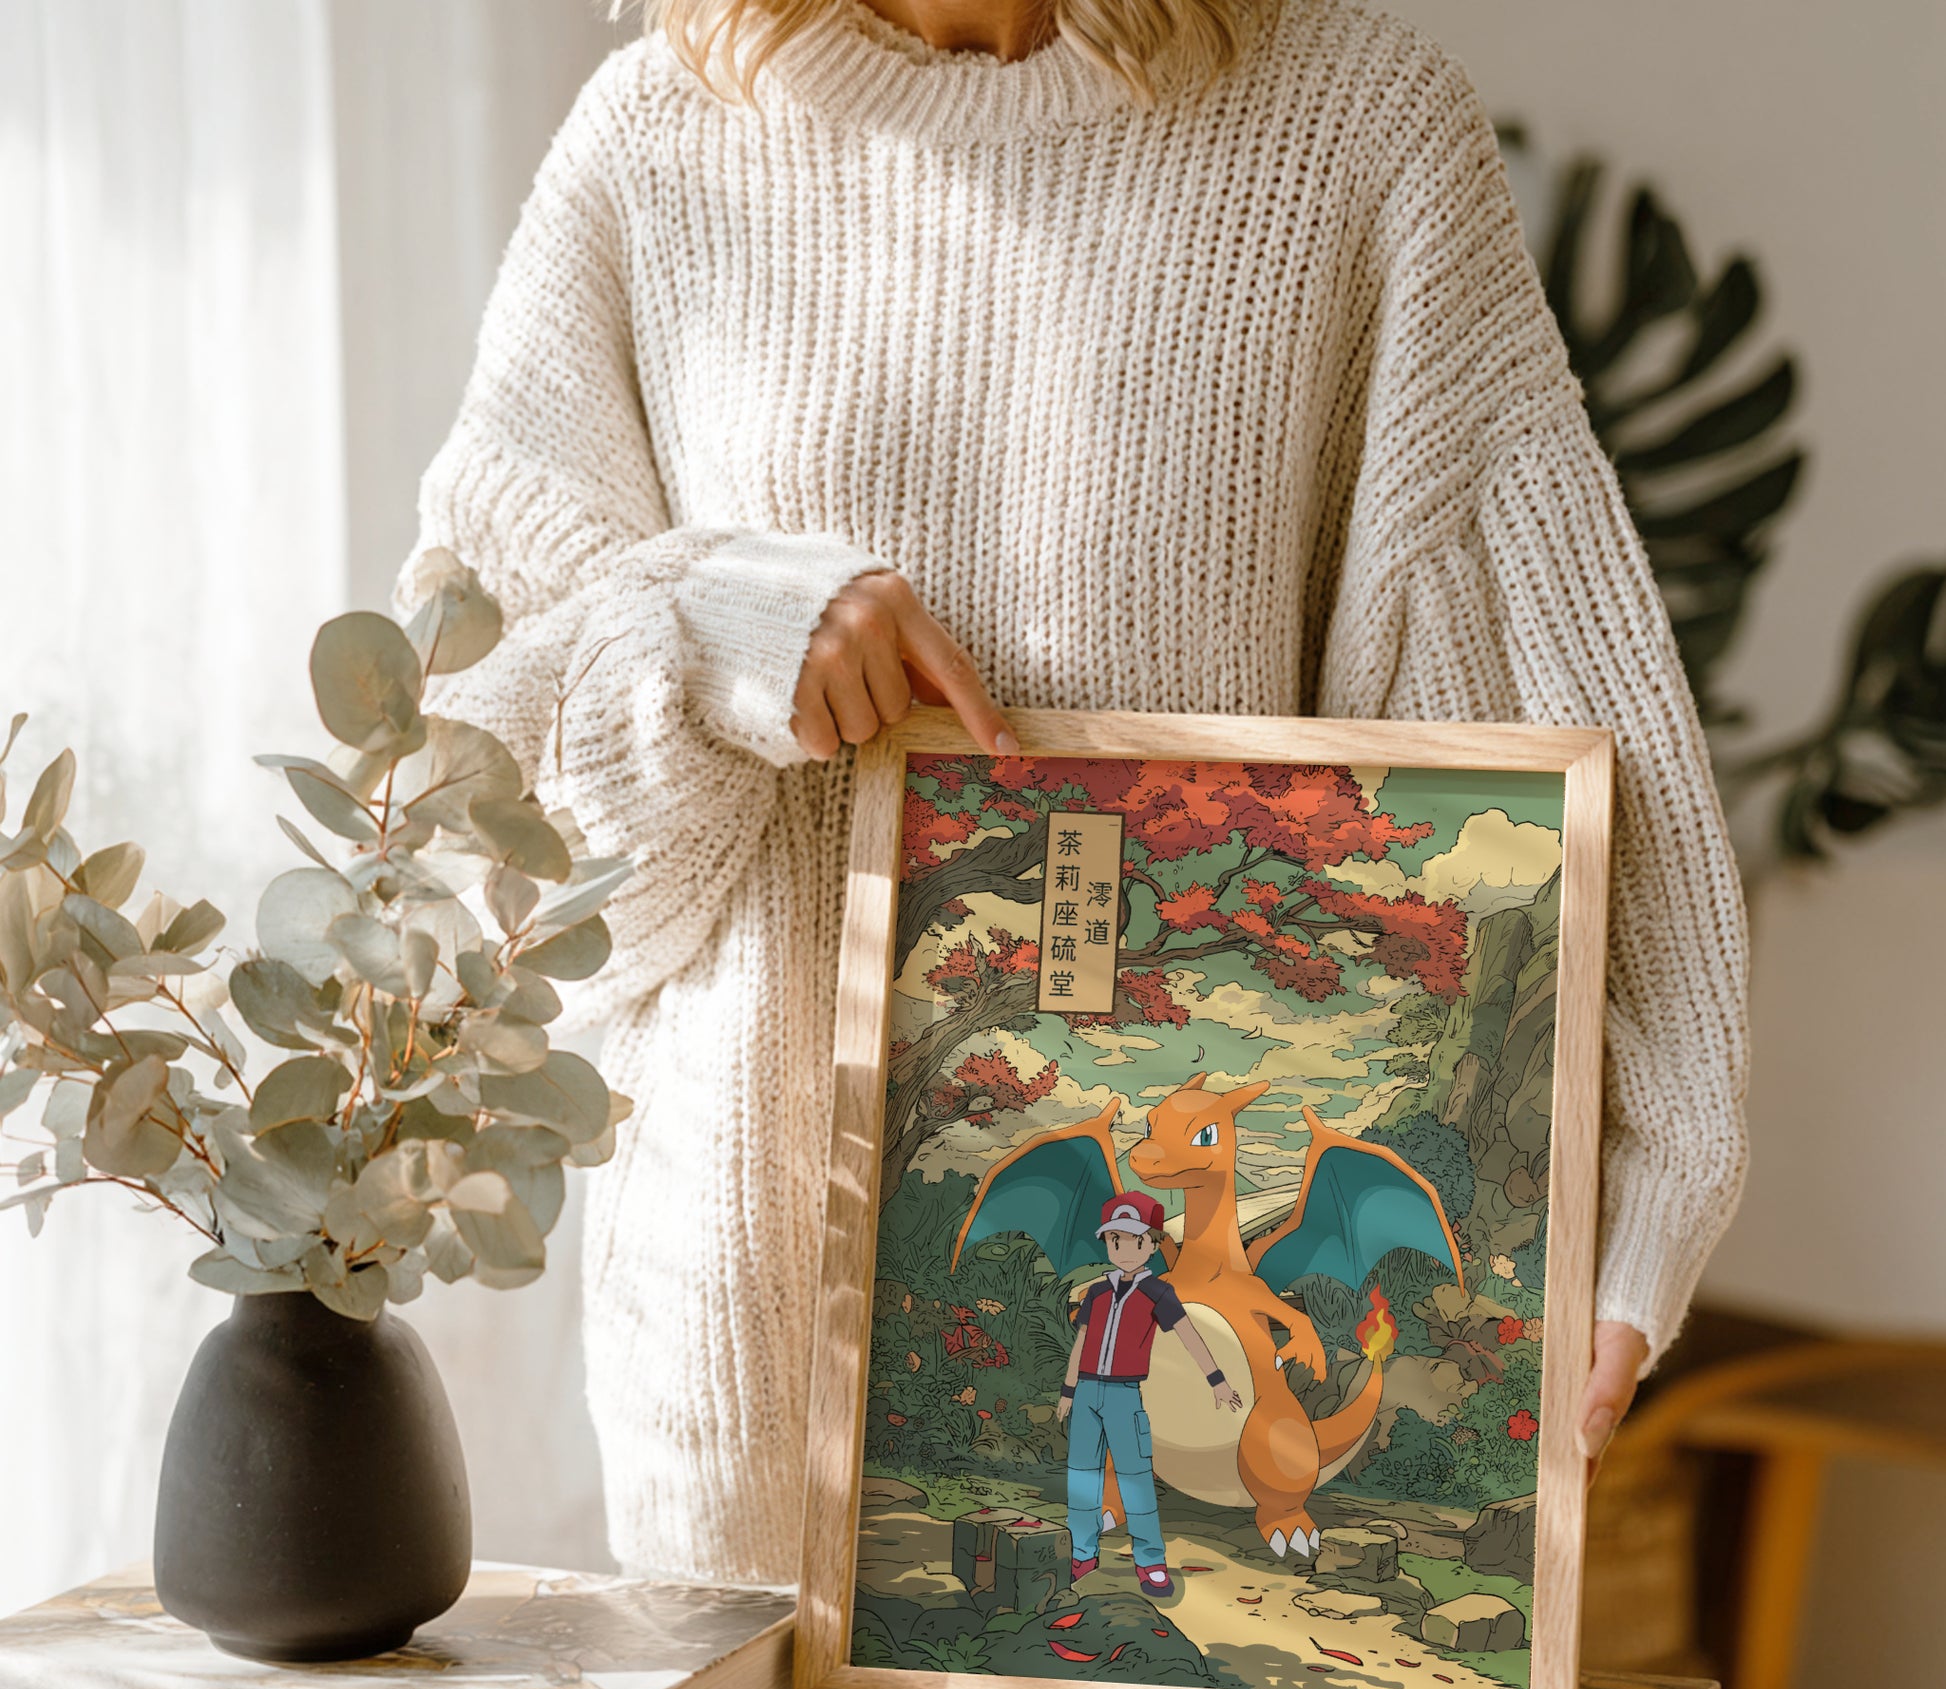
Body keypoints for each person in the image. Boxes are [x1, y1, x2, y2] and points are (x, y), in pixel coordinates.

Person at [394, 0, 1749, 1589]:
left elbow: (1535, 698)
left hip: (1213, 1449)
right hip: (738, 1359)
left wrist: (1643, 1179)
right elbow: (470, 824)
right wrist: (711, 625)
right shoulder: (653, 143)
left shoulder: (1354, 129)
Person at [1058, 1193, 1244, 1597]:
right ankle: (1082, 1553)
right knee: (1082, 1478)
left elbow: (1188, 1335)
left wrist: (1217, 1379)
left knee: (1135, 1479)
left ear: (1152, 1245)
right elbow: (1083, 1341)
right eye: (1115, 1241)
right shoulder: (1096, 1294)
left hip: (1125, 1395)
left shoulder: (1157, 1293)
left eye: (1135, 1241)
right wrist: (1069, 1388)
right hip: (1087, 1391)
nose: (1124, 1250)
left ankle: (1150, 1561)